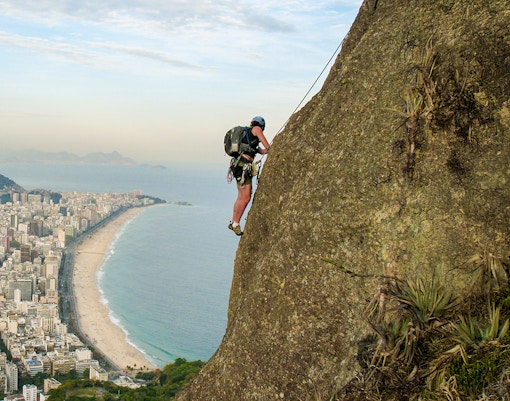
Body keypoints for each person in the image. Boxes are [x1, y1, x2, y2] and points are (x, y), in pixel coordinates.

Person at [228, 116, 270, 236]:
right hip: (243, 167)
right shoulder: (257, 129)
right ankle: (235, 223)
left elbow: (262, 151)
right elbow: (266, 146)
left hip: (238, 166)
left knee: (241, 196)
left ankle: (234, 222)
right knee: (245, 197)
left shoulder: (249, 138)